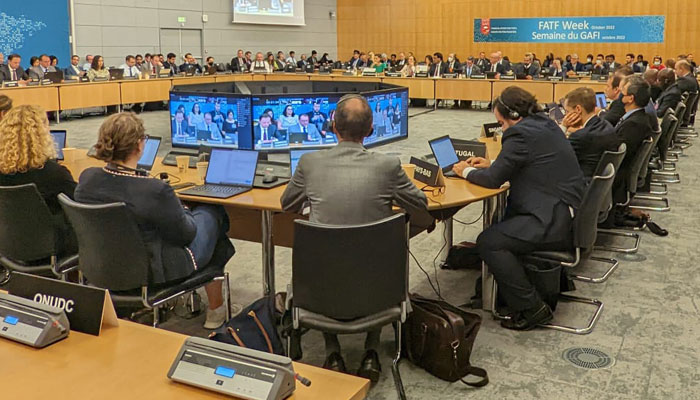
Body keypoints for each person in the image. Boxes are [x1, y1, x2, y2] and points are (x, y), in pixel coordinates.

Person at [281, 94, 434, 380]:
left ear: (332, 127)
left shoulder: (309, 163)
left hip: (321, 289)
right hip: (378, 289)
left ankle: (333, 352)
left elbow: (287, 204)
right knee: (374, 256)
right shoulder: (388, 166)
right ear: (370, 131)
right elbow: (421, 202)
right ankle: (371, 350)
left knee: (327, 261)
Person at [74, 112, 234, 328]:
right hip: (156, 272)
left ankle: (214, 307)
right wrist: (183, 208)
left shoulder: (87, 179)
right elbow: (186, 235)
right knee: (213, 214)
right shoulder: (154, 191)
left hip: (105, 266)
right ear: (140, 146)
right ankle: (216, 309)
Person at [452, 86, 584, 330]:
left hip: (551, 219)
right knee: (502, 227)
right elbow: (529, 161)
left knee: (490, 241)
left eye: (501, 123)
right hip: (566, 210)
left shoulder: (519, 134)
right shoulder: (545, 124)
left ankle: (532, 308)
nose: (502, 128)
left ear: (513, 116)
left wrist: (465, 171)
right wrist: (493, 164)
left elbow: (493, 180)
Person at [0, 105, 77, 257]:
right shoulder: (54, 174)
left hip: (8, 242)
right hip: (51, 245)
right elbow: (79, 206)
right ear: (42, 134)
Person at [561, 88, 619, 180]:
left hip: (580, 186)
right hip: (596, 186)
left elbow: (556, 157)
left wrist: (563, 127)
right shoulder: (605, 125)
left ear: (578, 109)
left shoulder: (580, 137)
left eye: (567, 111)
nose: (565, 116)